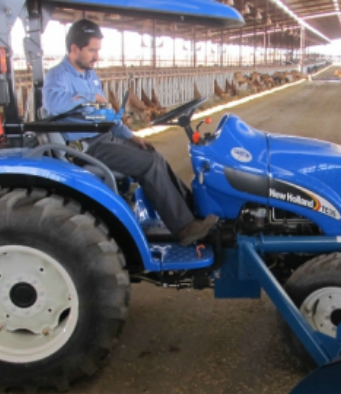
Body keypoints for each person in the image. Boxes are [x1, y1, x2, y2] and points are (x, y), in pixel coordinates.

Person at [42, 19, 218, 247]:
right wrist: (89, 97)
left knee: (155, 155)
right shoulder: (58, 75)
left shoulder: (89, 75)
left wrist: (130, 136)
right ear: (74, 48)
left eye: (98, 51)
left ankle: (192, 212)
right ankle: (184, 229)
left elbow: (105, 114)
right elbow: (53, 104)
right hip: (86, 144)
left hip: (104, 136)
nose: (97, 56)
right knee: (147, 164)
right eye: (92, 51)